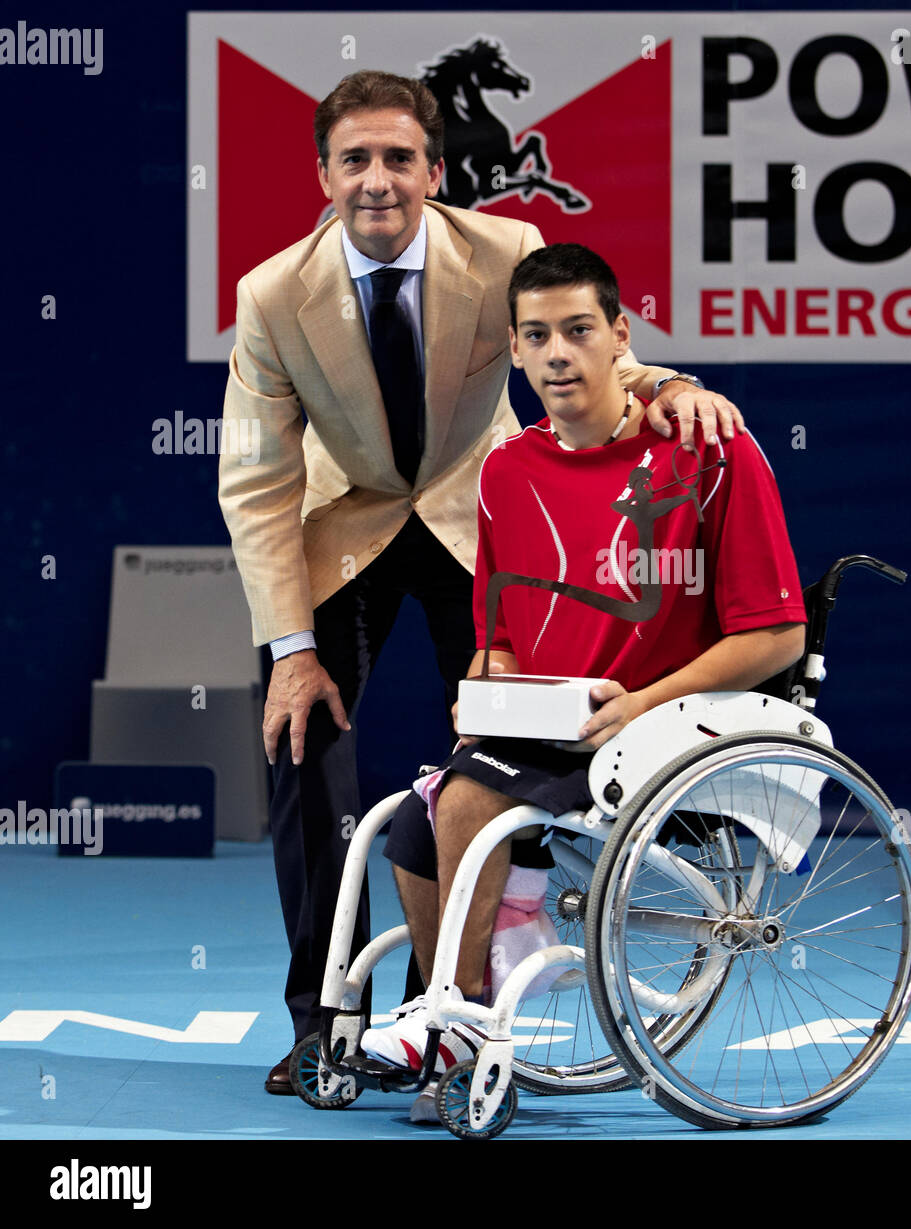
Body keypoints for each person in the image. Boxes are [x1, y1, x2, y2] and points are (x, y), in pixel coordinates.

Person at [215, 70, 742, 1094]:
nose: (379, 180)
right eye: (356, 160)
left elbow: (576, 350)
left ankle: (440, 1008)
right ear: (323, 176)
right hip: (345, 523)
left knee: (495, 757)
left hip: (479, 510)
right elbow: (258, 479)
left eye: (400, 159)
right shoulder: (273, 296)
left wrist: (668, 382)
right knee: (299, 739)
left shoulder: (501, 252)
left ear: (437, 171)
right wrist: (291, 654)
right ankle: (323, 1014)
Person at [362, 243, 807, 1120]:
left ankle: (453, 1027)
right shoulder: (506, 470)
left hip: (673, 731)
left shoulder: (711, 449)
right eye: (537, 336)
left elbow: (778, 633)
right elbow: (501, 643)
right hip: (553, 731)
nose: (558, 353)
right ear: (517, 354)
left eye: (577, 330)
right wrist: (483, 691)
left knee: (460, 805)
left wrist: (641, 700)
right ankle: (466, 1019)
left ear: (621, 338)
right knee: (411, 830)